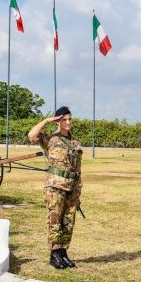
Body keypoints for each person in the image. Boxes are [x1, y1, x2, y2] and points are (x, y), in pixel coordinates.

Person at [28, 106, 83, 270]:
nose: (68, 122)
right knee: (55, 220)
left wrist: (78, 188)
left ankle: (63, 252)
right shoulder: (50, 139)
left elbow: (77, 168)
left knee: (68, 220)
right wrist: (46, 120)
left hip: (72, 187)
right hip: (55, 187)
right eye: (64, 119)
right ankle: (54, 253)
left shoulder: (74, 142)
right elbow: (32, 136)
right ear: (58, 121)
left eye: (69, 119)